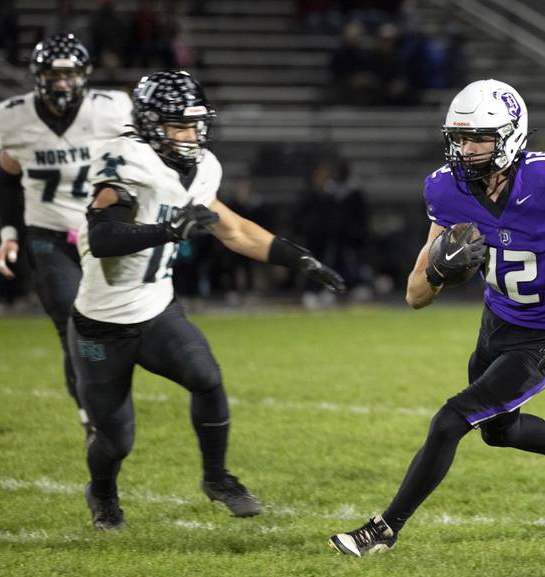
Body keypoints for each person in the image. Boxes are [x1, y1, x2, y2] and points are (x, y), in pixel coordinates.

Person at [329, 79, 545, 556]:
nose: (466, 150)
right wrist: (437, 268)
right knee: (499, 430)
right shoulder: (447, 189)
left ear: (511, 136)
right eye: (460, 138)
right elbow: (415, 295)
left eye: (479, 139)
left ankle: (384, 529)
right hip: (497, 322)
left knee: (452, 419)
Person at [68, 69, 345, 530]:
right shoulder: (124, 160)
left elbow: (233, 229)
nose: (190, 134)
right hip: (102, 323)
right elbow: (102, 237)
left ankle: (217, 478)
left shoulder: (203, 167)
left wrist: (298, 259)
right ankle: (102, 492)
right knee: (116, 439)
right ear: (151, 124)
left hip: (156, 310)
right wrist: (168, 229)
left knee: (207, 378)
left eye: (194, 123)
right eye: (178, 125)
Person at [0, 33, 133, 436]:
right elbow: (6, 179)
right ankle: (89, 412)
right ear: (38, 76)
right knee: (72, 320)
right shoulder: (14, 117)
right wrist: (8, 233)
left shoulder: (112, 110)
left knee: (117, 324)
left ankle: (106, 392)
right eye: (54, 74)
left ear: (84, 75)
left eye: (70, 74)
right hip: (49, 233)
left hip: (102, 231)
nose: (62, 82)